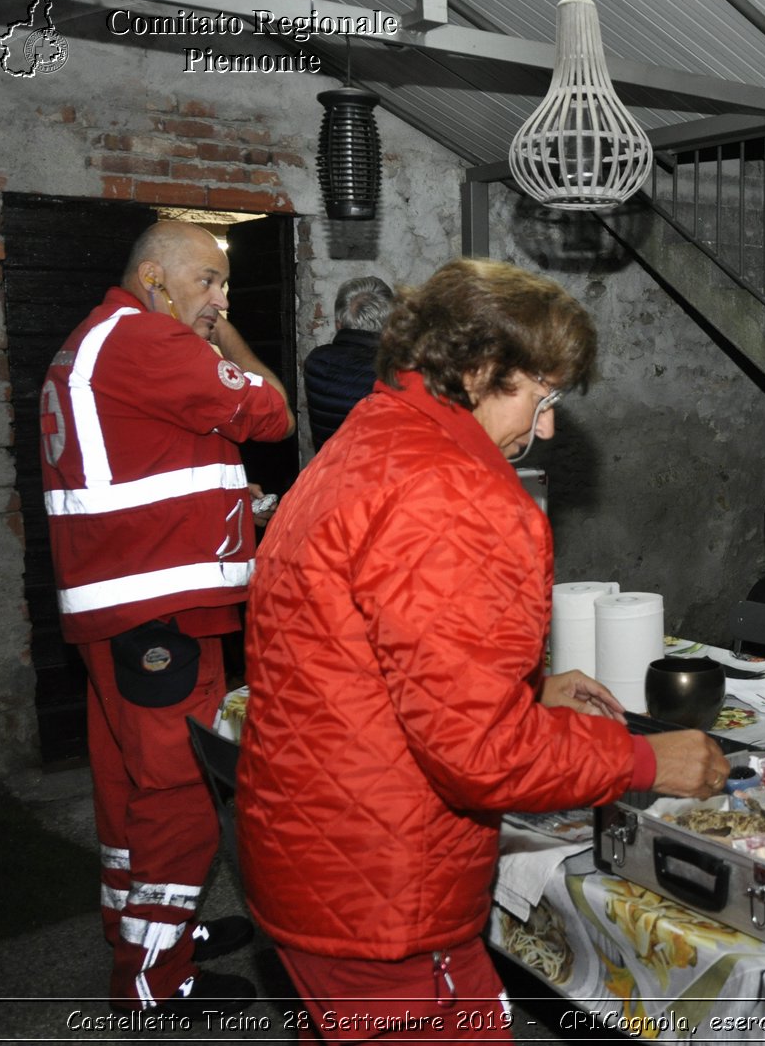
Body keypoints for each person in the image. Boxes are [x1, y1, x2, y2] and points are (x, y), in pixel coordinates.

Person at [235, 258, 730, 1040]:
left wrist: (526, 691)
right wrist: (643, 761)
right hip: (382, 891)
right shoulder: (458, 492)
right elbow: (481, 751)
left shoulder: (368, 436)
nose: (548, 424)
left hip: (317, 853)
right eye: (543, 394)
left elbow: (381, 659)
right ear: (476, 370)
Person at [38, 221, 295, 1015]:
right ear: (155, 278)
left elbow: (158, 457)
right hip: (160, 614)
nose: (219, 300)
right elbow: (274, 413)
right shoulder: (149, 340)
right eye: (209, 282)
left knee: (126, 790)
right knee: (181, 797)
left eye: (224, 286)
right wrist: (226, 338)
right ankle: (156, 980)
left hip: (119, 607)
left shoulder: (100, 340)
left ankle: (145, 930)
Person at [303, 275, 393, 449]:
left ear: (338, 324)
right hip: (380, 473)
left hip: (329, 471)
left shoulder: (316, 362)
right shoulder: (395, 369)